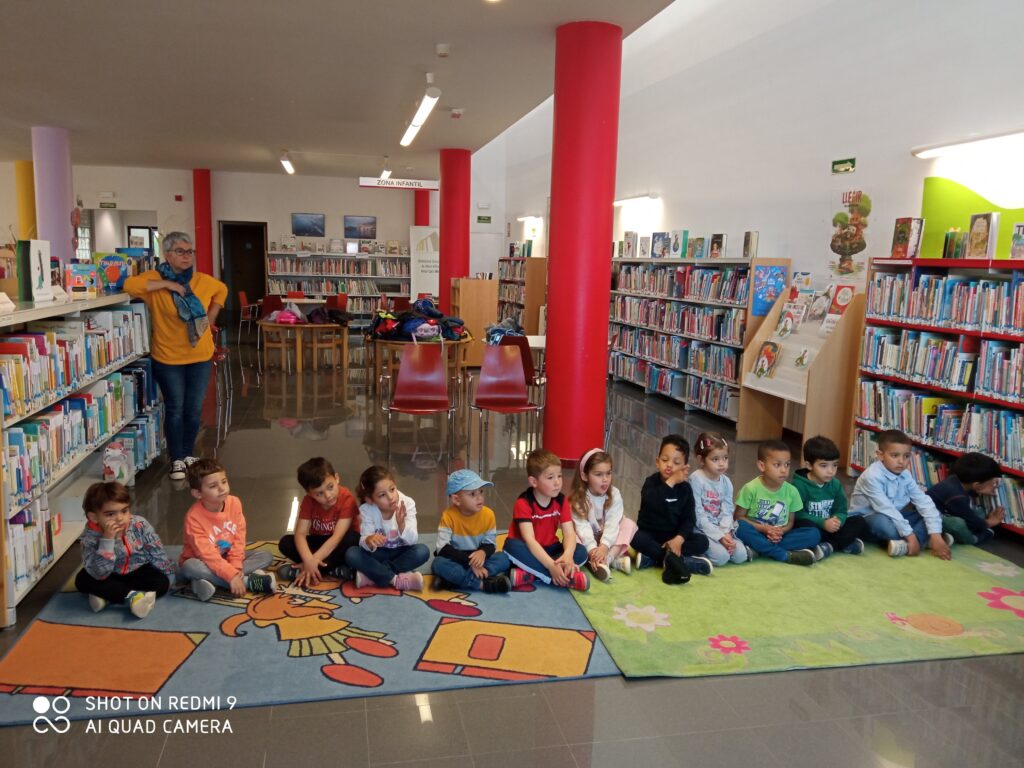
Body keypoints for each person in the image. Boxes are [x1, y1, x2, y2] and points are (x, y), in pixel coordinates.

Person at [124, 232, 227, 481]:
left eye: (190, 251)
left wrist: (210, 318)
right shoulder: (154, 280)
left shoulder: (203, 281)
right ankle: (176, 458)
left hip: (200, 355)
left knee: (193, 408)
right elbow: (129, 285)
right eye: (180, 251)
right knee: (175, 408)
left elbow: (222, 290)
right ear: (167, 254)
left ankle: (188, 453)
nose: (187, 256)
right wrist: (167, 285)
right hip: (168, 358)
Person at [179, 459, 276, 600]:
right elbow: (207, 554)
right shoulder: (193, 518)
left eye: (224, 482)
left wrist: (235, 569)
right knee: (189, 566)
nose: (222, 488)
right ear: (198, 493)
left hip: (226, 556)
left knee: (265, 556)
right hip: (202, 560)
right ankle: (249, 582)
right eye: (213, 486)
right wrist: (231, 576)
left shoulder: (235, 503)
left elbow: (239, 539)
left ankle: (205, 582)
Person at [848, 430, 953, 559]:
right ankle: (920, 541)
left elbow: (923, 502)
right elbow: (886, 509)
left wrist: (936, 535)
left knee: (934, 512)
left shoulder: (905, 475)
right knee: (883, 523)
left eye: (906, 456)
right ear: (880, 455)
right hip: (867, 520)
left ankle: (911, 543)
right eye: (895, 455)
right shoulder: (872, 476)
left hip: (895, 517)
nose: (901, 461)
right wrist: (910, 536)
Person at [76, 481, 174, 618]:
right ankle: (133, 596)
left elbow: (155, 549)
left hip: (138, 570)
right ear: (94, 517)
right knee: (82, 580)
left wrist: (167, 572)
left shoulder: (139, 524)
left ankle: (108, 596)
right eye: (110, 514)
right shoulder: (89, 538)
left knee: (162, 582)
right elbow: (100, 574)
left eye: (124, 511)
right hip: (109, 575)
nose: (120, 518)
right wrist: (108, 540)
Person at [501, 448, 589, 591]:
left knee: (580, 551)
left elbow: (569, 533)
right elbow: (529, 540)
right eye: (550, 478)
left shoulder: (562, 501)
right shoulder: (523, 503)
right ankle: (564, 578)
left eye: (559, 476)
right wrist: (551, 566)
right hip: (528, 549)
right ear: (534, 481)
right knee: (511, 547)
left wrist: (567, 556)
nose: (557, 482)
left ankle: (531, 575)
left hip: (551, 549)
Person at [634, 434, 714, 584]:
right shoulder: (650, 482)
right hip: (651, 534)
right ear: (657, 462)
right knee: (635, 537)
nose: (669, 465)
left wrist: (679, 539)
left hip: (674, 538)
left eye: (676, 462)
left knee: (702, 542)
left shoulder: (686, 488)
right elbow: (652, 502)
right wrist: (670, 482)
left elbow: (689, 519)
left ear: (685, 467)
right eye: (665, 460)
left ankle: (653, 559)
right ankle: (681, 561)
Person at [277, 457, 360, 587]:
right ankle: (333, 569)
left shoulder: (347, 499)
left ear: (337, 478)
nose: (328, 495)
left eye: (330, 487)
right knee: (285, 542)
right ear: (309, 493)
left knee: (353, 539)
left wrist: (313, 561)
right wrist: (309, 560)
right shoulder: (308, 501)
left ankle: (310, 571)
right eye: (319, 494)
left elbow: (337, 538)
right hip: (321, 542)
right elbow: (300, 534)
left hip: (340, 544)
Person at [735, 440, 819, 566]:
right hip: (757, 532)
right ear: (762, 466)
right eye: (777, 465)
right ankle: (783, 555)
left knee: (814, 534)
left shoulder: (792, 491)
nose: (784, 470)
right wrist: (764, 529)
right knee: (740, 527)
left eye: (787, 464)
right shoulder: (750, 488)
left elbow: (790, 522)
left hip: (779, 537)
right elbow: (738, 517)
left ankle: (759, 549)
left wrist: (781, 532)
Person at [345, 465, 430, 590]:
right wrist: (369, 540)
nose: (391, 497)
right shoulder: (366, 510)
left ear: (395, 484)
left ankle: (374, 575)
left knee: (422, 551)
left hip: (400, 552)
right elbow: (363, 541)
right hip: (378, 553)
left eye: (392, 489)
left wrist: (402, 525)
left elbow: (412, 541)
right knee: (352, 553)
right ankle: (396, 579)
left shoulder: (407, 503)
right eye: (382, 495)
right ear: (370, 499)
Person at [431, 469, 512, 593]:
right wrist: (470, 562)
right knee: (438, 563)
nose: (480, 497)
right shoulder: (448, 516)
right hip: (456, 558)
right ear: (456, 500)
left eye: (481, 491)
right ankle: (483, 584)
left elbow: (490, 544)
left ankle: (452, 581)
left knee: (504, 558)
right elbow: (442, 549)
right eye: (473, 494)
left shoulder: (488, 514)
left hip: (478, 559)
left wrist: (482, 553)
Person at [792, 435, 869, 559]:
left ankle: (830, 546)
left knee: (859, 521)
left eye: (834, 465)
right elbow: (797, 514)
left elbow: (841, 510)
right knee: (808, 530)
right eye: (824, 466)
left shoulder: (835, 484)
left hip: (830, 528)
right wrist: (823, 523)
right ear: (809, 465)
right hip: (814, 527)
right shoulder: (798, 485)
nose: (831, 471)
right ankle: (843, 544)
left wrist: (837, 521)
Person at [568, 448, 636, 582]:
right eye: (598, 474)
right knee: (571, 534)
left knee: (629, 524)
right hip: (587, 540)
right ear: (584, 476)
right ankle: (599, 560)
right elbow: (582, 528)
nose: (605, 479)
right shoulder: (578, 499)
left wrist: (604, 546)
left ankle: (607, 560)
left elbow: (613, 523)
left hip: (608, 539)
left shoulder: (614, 494)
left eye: (608, 473)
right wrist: (593, 549)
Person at [691, 432, 749, 567]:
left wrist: (725, 533)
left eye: (725, 458)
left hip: (722, 528)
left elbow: (728, 510)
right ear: (701, 460)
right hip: (702, 529)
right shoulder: (696, 480)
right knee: (721, 558)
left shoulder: (726, 482)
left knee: (741, 556)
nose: (722, 464)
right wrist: (719, 537)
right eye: (715, 459)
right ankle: (697, 554)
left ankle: (726, 544)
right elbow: (698, 515)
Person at [926, 452, 1004, 545]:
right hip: (930, 520)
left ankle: (949, 536)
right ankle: (973, 539)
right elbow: (971, 520)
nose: (994, 486)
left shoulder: (955, 479)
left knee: (980, 512)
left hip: (945, 514)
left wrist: (981, 489)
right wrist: (991, 522)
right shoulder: (956, 495)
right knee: (958, 524)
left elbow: (968, 496)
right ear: (976, 485)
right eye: (993, 483)